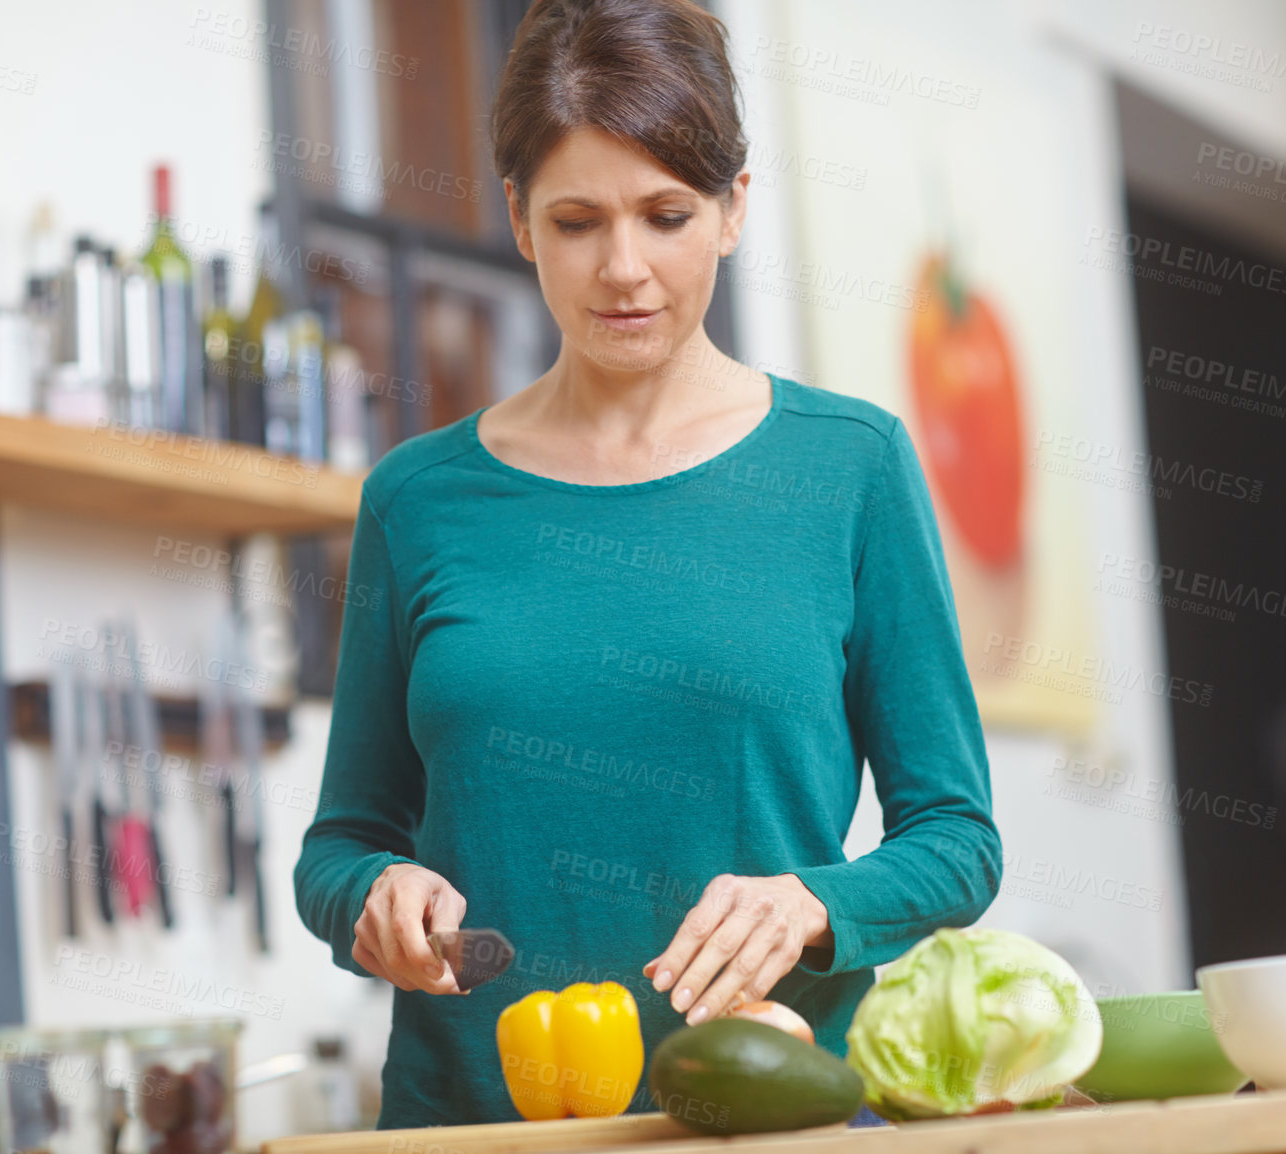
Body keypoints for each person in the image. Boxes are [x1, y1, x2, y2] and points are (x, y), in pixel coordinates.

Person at [293, 0, 1001, 1127]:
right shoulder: (415, 500)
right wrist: (374, 894)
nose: (624, 268)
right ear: (520, 220)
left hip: (765, 1111)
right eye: (578, 221)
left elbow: (957, 839)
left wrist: (811, 904)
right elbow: (340, 843)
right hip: (472, 1126)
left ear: (731, 210)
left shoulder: (848, 465)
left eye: (666, 215)